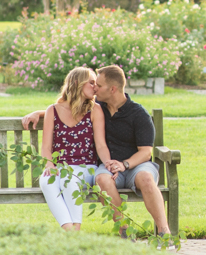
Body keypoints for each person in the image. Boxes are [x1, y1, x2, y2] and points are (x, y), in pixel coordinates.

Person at [23, 64, 171, 237]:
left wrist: (121, 164)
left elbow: (144, 152)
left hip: (132, 165)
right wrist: (40, 113)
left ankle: (163, 231)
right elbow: (68, 107)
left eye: (98, 85)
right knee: (90, 179)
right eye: (93, 84)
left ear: (112, 89)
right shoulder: (97, 105)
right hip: (101, 167)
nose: (95, 88)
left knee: (144, 178)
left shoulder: (134, 114)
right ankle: (123, 230)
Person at [38, 66, 113, 231]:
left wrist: (108, 163)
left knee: (68, 178)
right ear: (77, 83)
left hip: (86, 167)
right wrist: (49, 165)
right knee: (45, 181)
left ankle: (75, 231)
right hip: (60, 167)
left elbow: (100, 144)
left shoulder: (94, 110)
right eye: (91, 83)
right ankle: (71, 231)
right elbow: (46, 147)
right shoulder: (53, 111)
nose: (95, 87)